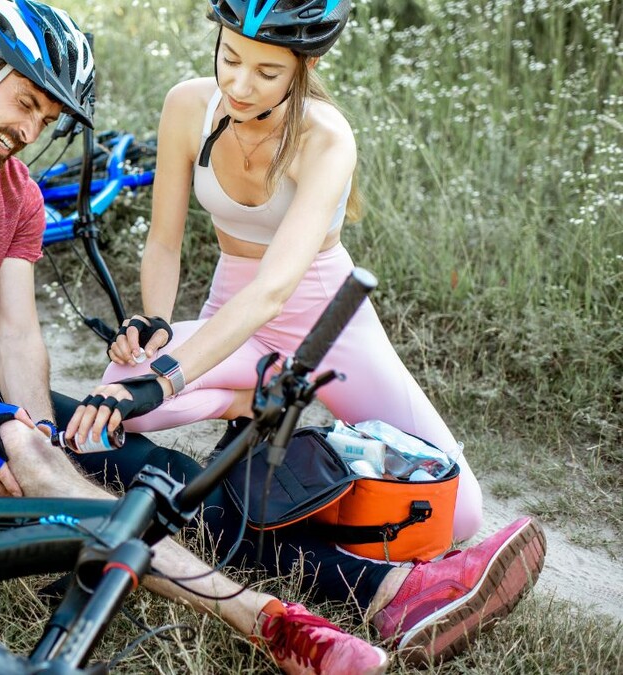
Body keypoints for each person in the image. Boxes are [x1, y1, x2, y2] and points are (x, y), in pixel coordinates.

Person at [0, 1, 391, 672]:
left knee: (165, 471)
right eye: (25, 102)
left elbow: (20, 332)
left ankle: (379, 586)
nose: (29, 130)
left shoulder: (21, 195)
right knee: (37, 455)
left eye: (45, 119)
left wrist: (42, 428)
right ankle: (267, 621)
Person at [65, 0, 546, 665]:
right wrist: (151, 328)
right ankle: (247, 405)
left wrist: (168, 377)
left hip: (325, 317)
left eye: (266, 72)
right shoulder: (186, 105)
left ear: (307, 64)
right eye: (230, 58)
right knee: (111, 398)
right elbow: (165, 241)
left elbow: (275, 290)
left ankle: (289, 435)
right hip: (237, 319)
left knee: (458, 512)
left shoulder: (327, 136)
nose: (238, 83)